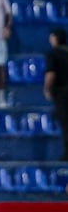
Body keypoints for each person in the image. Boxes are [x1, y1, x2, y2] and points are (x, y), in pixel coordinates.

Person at [44, 27, 68, 161]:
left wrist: (47, 89)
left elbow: (50, 74)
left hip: (62, 93)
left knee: (66, 123)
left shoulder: (53, 54)